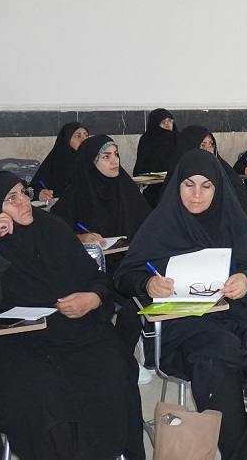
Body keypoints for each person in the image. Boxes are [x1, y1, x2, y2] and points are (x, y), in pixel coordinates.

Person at [0, 172, 144, 460]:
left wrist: (91, 299)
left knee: (114, 372)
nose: (24, 202)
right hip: (14, 346)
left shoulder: (51, 228)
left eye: (24, 193)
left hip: (76, 333)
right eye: (11, 198)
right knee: (42, 396)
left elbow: (96, 279)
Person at [115, 150, 247, 460]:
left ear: (218, 188)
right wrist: (148, 284)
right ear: (177, 186)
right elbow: (125, 275)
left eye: (206, 186)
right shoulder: (161, 224)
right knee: (215, 355)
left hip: (240, 312)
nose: (197, 194)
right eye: (189, 185)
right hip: (188, 324)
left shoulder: (232, 220)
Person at [51, 135, 152, 363]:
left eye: (116, 155)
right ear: (90, 162)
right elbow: (54, 235)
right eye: (105, 157)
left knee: (136, 296)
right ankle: (117, 357)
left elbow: (150, 227)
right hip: (92, 273)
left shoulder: (126, 189)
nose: (114, 161)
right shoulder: (75, 194)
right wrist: (79, 237)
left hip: (127, 266)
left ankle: (128, 355)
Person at [31, 122, 89, 201]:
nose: (84, 140)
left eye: (86, 135)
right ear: (66, 140)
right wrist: (39, 194)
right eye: (77, 136)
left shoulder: (95, 161)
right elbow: (31, 190)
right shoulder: (56, 162)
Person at [133, 108, 179, 207]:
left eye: (169, 121)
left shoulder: (178, 139)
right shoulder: (147, 140)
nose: (168, 125)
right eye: (163, 122)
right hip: (152, 190)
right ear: (155, 125)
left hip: (176, 188)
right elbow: (142, 169)